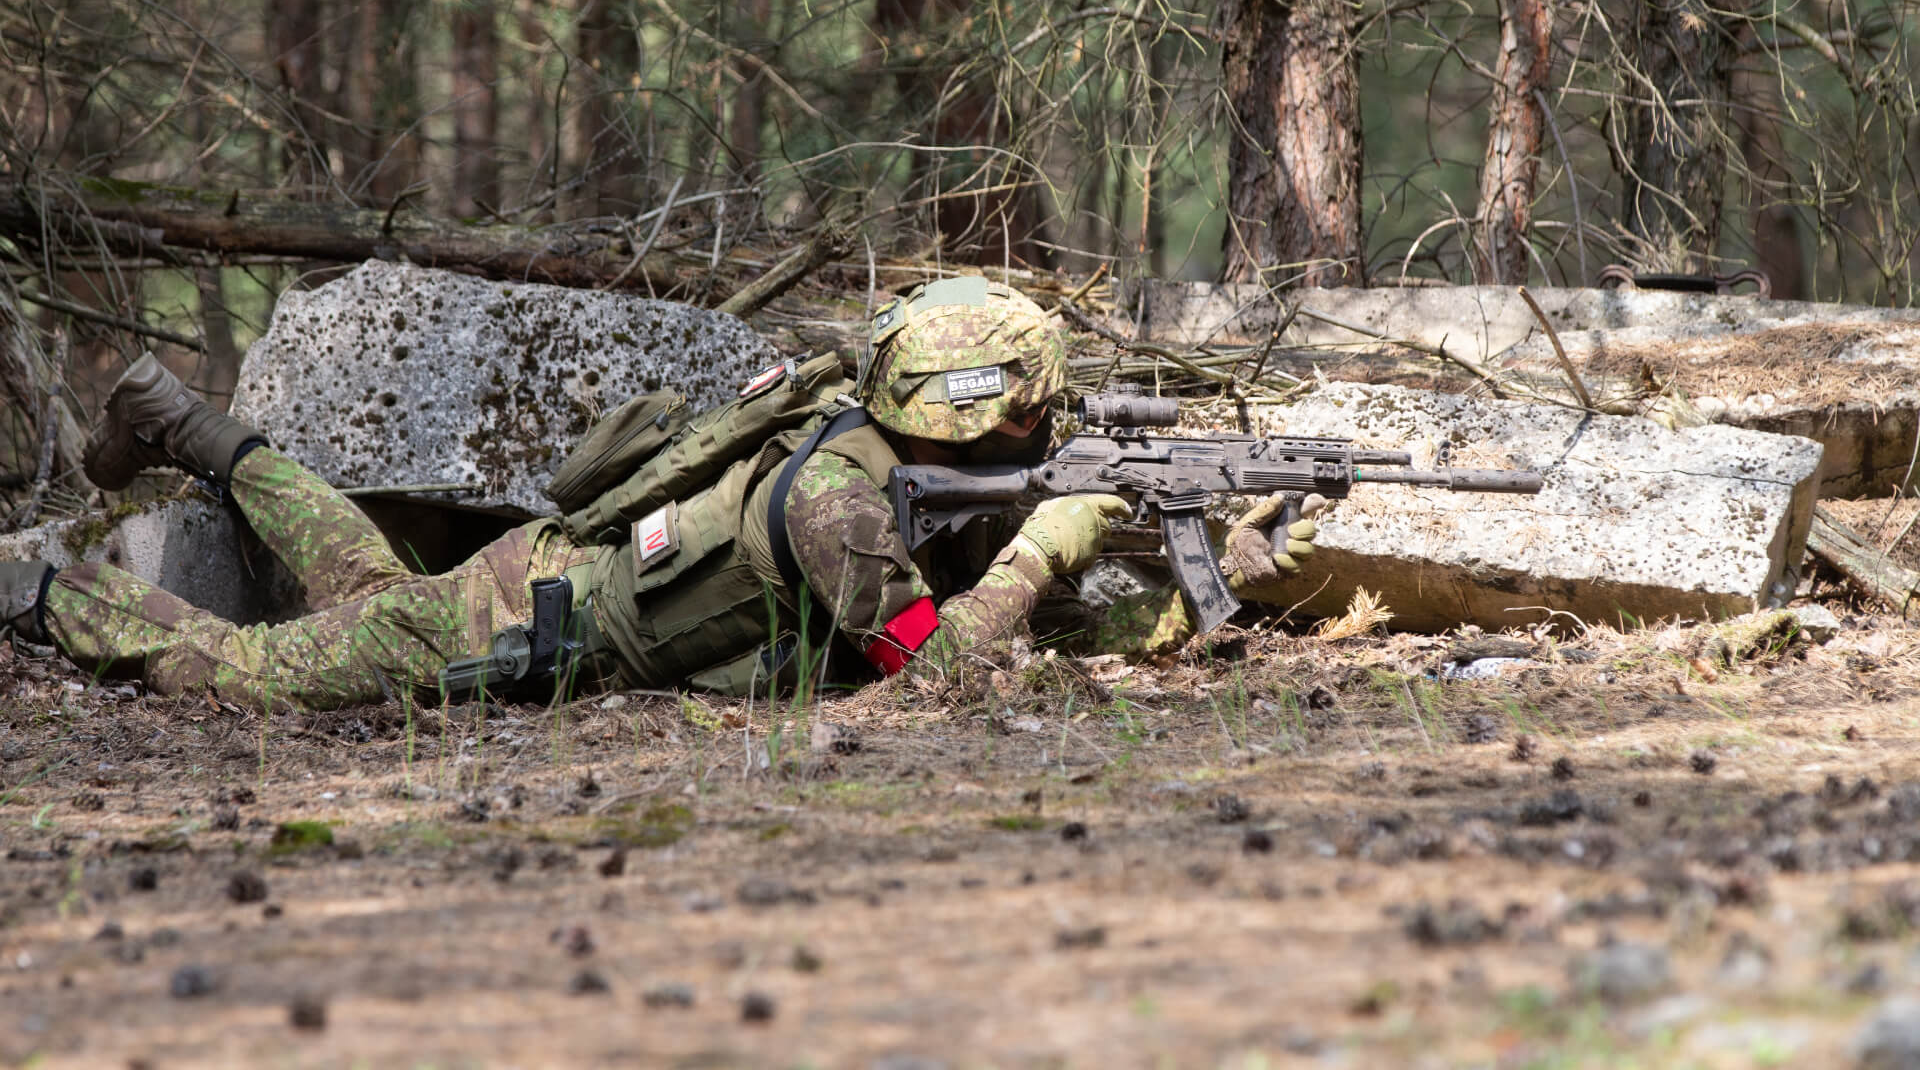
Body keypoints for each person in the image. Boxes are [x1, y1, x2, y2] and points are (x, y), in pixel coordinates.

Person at [0, 278, 1316, 712]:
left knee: (360, 581)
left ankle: (179, 419)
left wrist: (1190, 525)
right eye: (1029, 412)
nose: (1044, 428)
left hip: (544, 572)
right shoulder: (842, 508)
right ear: (973, 414)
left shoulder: (871, 437)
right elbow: (936, 672)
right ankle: (41, 592)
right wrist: (1054, 542)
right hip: (508, 629)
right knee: (243, 673)